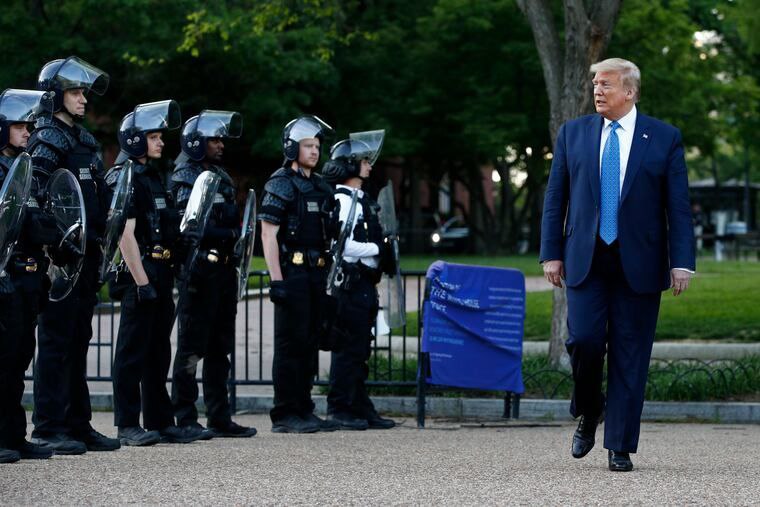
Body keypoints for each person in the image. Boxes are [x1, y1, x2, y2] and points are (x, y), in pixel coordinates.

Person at [539, 58, 695, 472]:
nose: (597, 90)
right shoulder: (573, 133)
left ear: (630, 91)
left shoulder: (664, 137)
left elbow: (678, 206)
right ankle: (591, 409)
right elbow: (556, 198)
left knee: (631, 354)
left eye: (606, 84)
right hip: (585, 259)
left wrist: (681, 261)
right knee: (584, 340)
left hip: (640, 262)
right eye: (595, 83)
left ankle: (620, 446)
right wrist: (551, 252)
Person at [27, 56, 120, 455]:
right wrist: (55, 244)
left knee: (79, 339)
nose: (83, 99)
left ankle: (78, 424)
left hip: (88, 253)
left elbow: (99, 193)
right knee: (55, 341)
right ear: (54, 96)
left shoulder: (83, 140)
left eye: (83, 92)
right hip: (59, 259)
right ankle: (49, 426)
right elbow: (33, 196)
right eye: (75, 92)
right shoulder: (46, 139)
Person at [106, 100, 204, 446]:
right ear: (135, 139)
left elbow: (161, 224)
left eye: (160, 136)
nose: (161, 142)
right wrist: (141, 281)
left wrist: (181, 239)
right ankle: (127, 424)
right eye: (153, 136)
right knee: (131, 352)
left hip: (160, 271)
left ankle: (160, 421)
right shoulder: (125, 176)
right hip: (141, 272)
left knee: (158, 352)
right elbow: (125, 233)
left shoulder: (153, 177)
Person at [169, 110, 256, 439]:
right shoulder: (185, 176)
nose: (221, 145)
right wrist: (225, 233)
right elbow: (189, 225)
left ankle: (220, 416)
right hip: (199, 271)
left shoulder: (222, 176)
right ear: (196, 142)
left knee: (221, 348)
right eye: (214, 140)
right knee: (192, 347)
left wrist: (235, 236)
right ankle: (185, 416)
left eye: (221, 140)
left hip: (224, 271)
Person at [259, 115, 338, 433]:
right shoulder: (280, 183)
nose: (314, 151)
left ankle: (304, 408)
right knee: (290, 345)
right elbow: (268, 234)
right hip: (292, 273)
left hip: (316, 273)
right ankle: (284, 413)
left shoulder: (320, 186)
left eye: (317, 146)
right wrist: (277, 279)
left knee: (309, 342)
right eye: (308, 145)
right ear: (293, 148)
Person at [321, 133, 396, 430]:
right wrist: (377, 249)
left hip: (365, 284)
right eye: (364, 161)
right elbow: (342, 246)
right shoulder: (342, 201)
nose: (369, 165)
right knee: (348, 349)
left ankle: (360, 405)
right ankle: (339, 407)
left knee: (361, 349)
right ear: (349, 165)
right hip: (350, 284)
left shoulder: (361, 200)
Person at [0, 89, 57, 462]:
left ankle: (14, 436)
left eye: (29, 126)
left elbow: (40, 220)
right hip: (6, 275)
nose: (28, 132)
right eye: (20, 126)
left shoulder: (26, 170)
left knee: (19, 359)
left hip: (28, 277)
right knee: (2, 361)